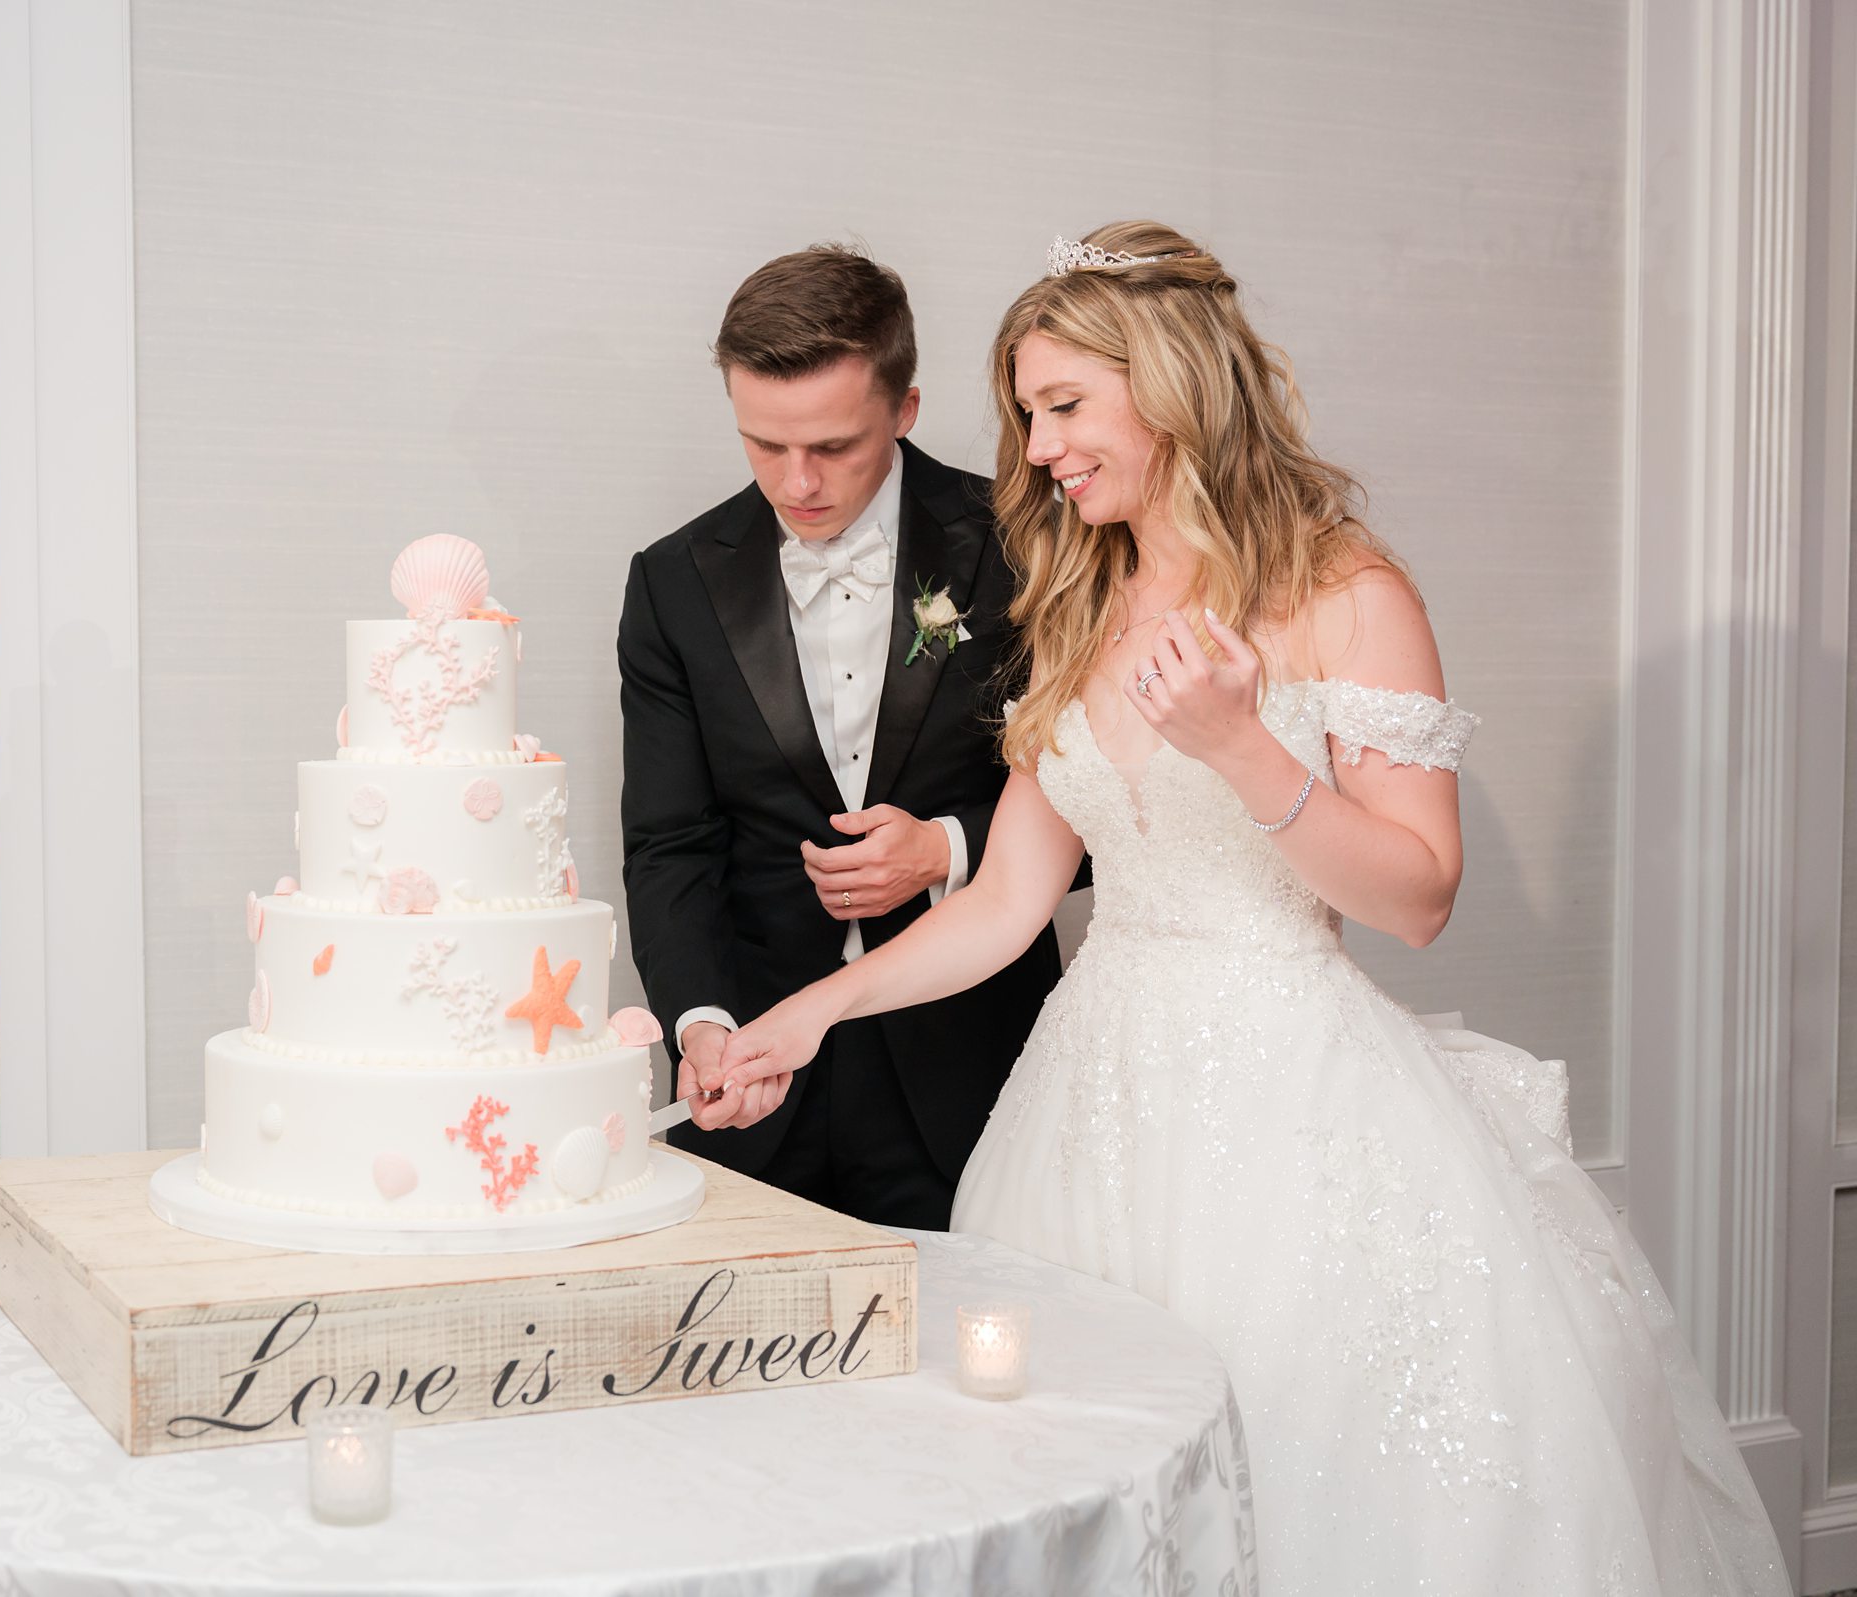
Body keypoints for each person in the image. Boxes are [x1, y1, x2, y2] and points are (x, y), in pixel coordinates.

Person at [696, 222, 1789, 1593]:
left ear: (1167, 387)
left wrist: (1246, 749)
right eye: (1029, 414)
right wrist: (812, 1012)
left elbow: (1421, 898)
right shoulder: (1082, 600)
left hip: (1296, 1114)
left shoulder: (1351, 594)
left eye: (1064, 407)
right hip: (1090, 1105)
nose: (1037, 449)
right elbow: (1008, 903)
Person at [618, 244, 1086, 1229]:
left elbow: (1123, 805)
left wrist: (947, 848)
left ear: (904, 408)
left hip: (974, 1070)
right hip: (756, 1084)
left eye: (835, 446)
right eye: (762, 444)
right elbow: (671, 843)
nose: (798, 482)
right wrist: (702, 1026)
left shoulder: (1025, 546)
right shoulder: (672, 583)